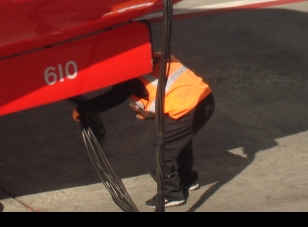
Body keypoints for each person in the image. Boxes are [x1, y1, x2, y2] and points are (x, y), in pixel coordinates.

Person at [73, 55, 214, 208]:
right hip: (205, 98)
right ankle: (187, 179)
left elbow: (111, 99)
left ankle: (172, 193)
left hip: (187, 108)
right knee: (178, 141)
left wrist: (81, 109)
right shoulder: (155, 56)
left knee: (153, 147)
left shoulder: (131, 77)